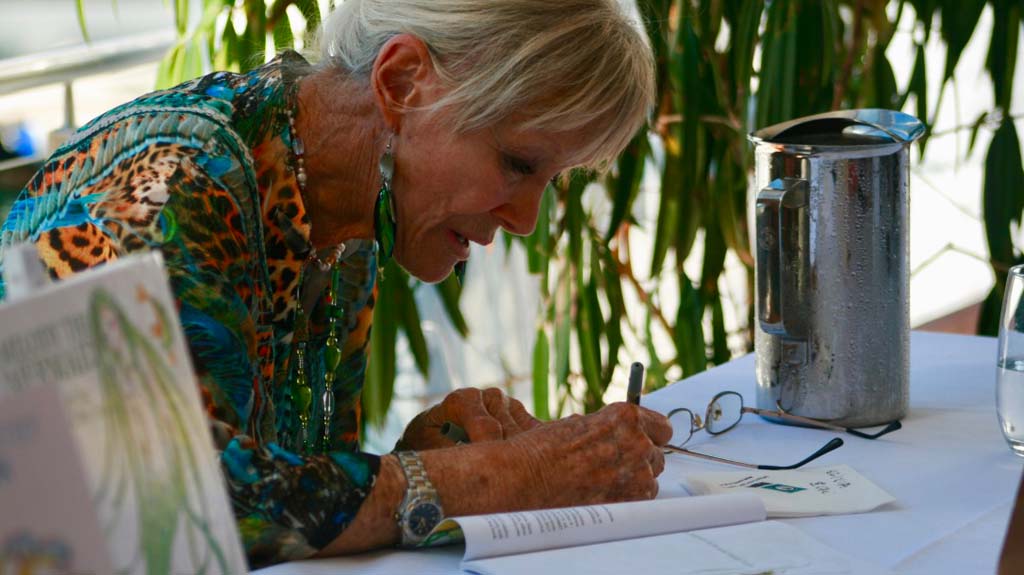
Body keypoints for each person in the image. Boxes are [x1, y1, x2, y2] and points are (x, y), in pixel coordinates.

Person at [0, 0, 672, 568]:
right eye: (518, 161)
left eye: (550, 179)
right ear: (402, 81)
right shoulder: (179, 187)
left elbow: (282, 511)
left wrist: (420, 459)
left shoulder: (344, 210)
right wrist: (509, 475)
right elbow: (174, 506)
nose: (526, 219)